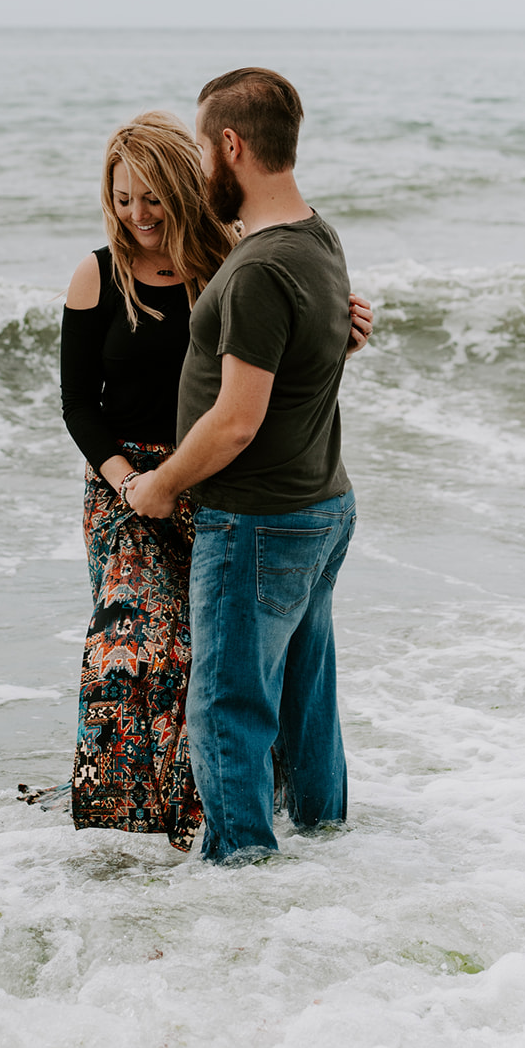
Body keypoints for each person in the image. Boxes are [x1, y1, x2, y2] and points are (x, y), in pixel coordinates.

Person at [128, 68, 367, 865]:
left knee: (228, 706)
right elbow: (309, 349)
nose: (199, 167)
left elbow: (233, 422)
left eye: (200, 148)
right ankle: (326, 844)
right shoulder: (316, 237)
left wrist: (158, 485)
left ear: (229, 145)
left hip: (259, 517)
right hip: (320, 506)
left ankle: (240, 876)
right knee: (305, 698)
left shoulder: (261, 267)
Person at [59, 111, 236, 850]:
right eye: (123, 198)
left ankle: (195, 819)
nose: (136, 214)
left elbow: (265, 376)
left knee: (209, 654)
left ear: (180, 189)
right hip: (122, 483)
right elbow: (77, 405)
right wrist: (130, 482)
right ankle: (115, 833)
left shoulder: (228, 265)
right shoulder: (96, 274)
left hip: (217, 476)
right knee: (129, 648)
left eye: (151, 198)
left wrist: (342, 334)